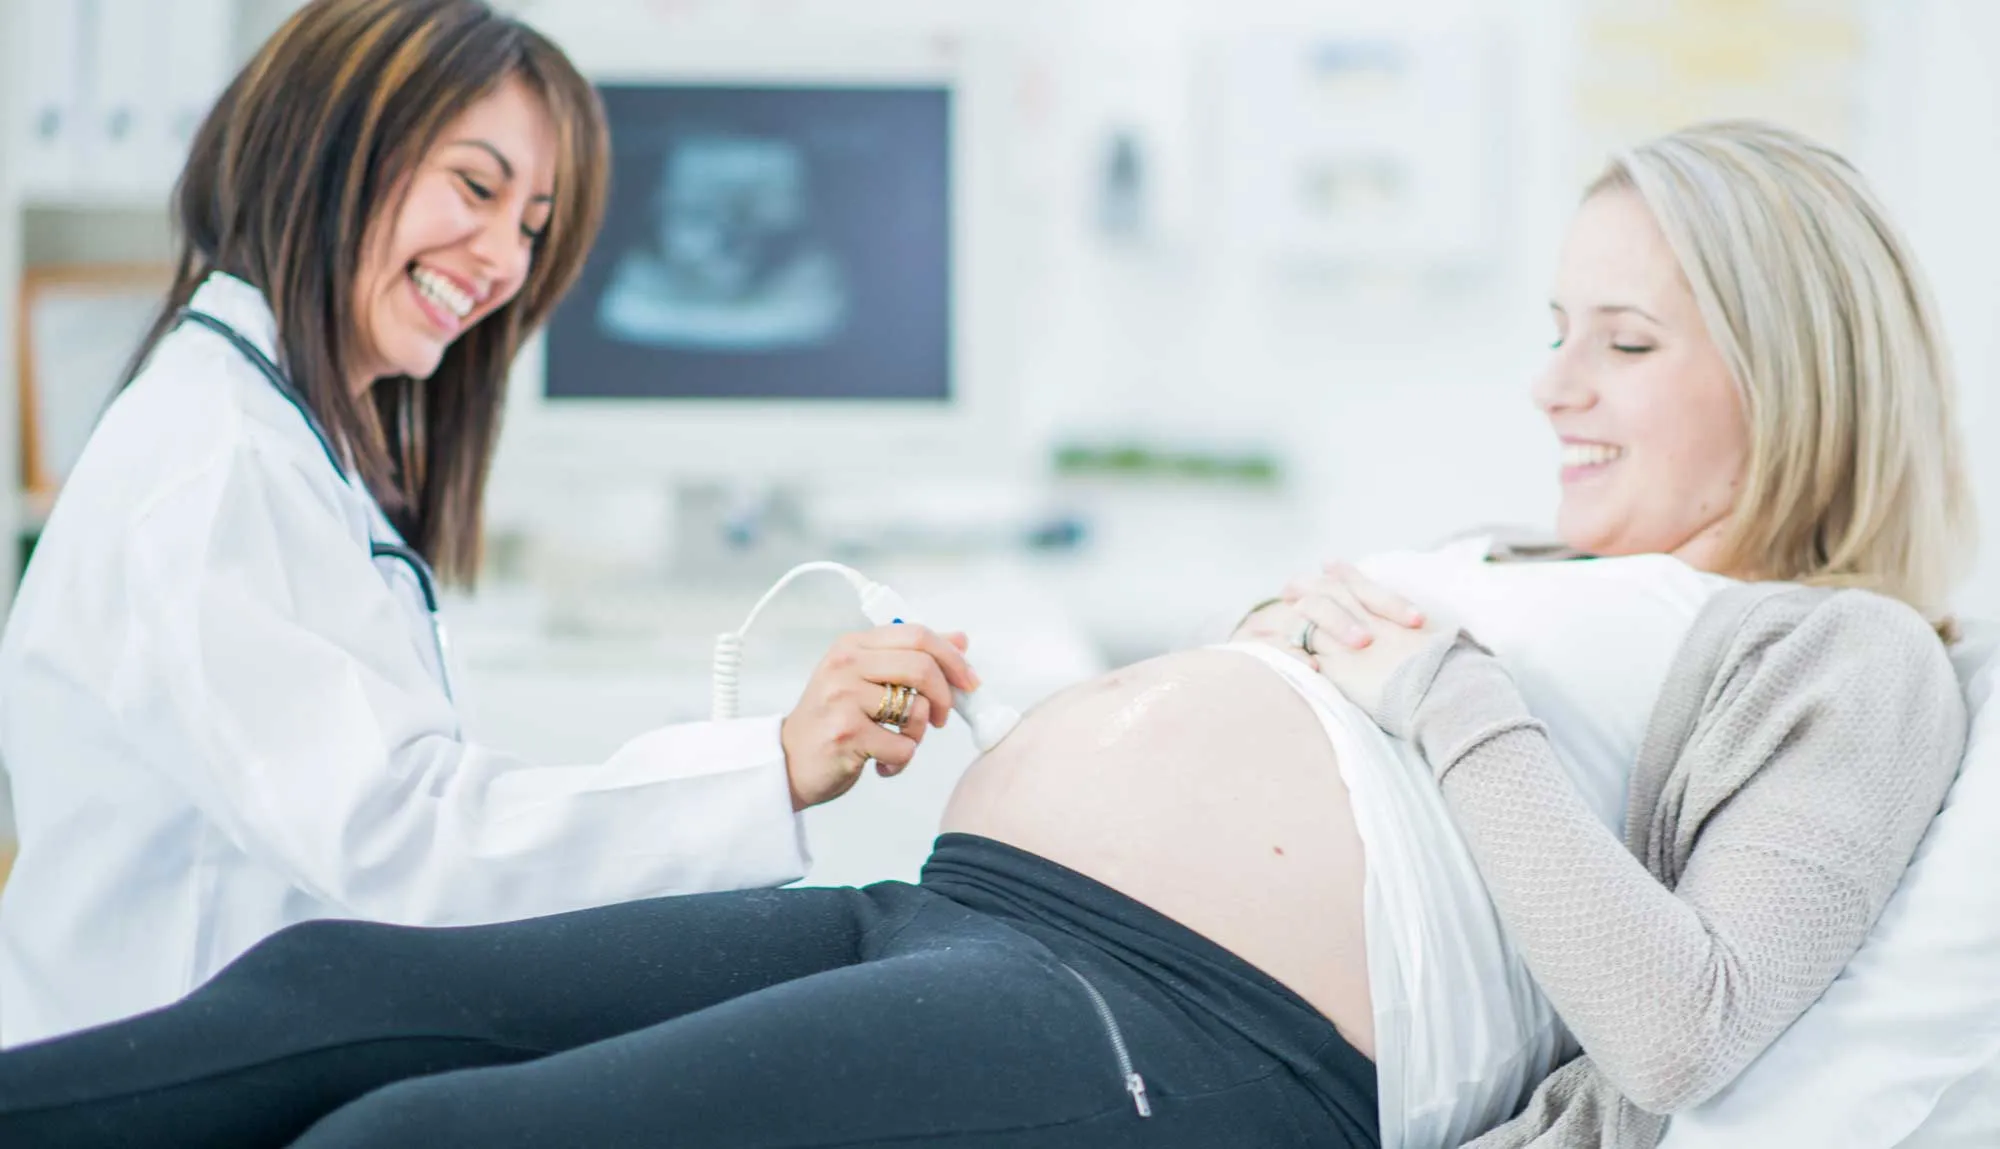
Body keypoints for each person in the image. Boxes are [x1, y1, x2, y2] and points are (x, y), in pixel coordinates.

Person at [0, 121, 1973, 1149]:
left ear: (1792, 364)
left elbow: (1683, 1020)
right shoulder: (1515, 555)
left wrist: (1434, 687)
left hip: (1188, 1034)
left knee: (423, 1141)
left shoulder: (1843, 650)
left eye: (1623, 343)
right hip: (969, 911)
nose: (1557, 388)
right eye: (1554, 332)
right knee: (324, 997)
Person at [0, 0, 979, 1048]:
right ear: (326, 145)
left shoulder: (272, 429)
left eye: (532, 226)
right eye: (475, 186)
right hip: (161, 1073)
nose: (504, 261)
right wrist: (772, 765)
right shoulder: (215, 463)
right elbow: (404, 846)